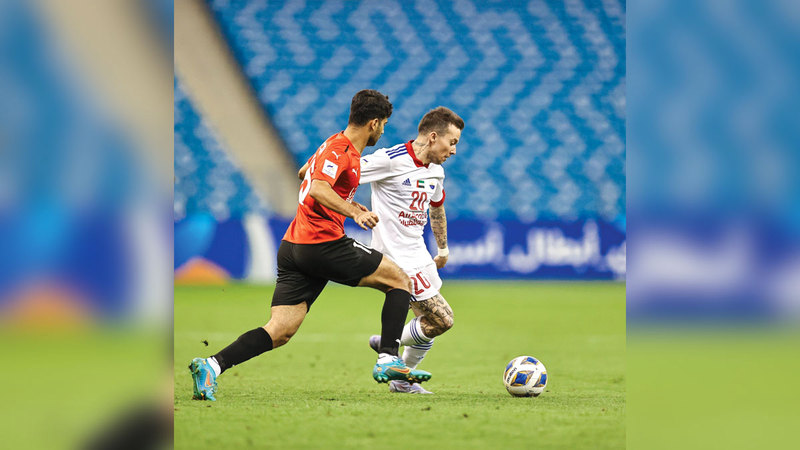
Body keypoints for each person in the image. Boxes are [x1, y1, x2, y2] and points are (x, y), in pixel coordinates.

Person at [189, 89, 431, 401]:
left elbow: (304, 172)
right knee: (399, 280)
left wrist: (341, 199)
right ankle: (388, 358)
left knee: (281, 330)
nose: (383, 131)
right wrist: (354, 211)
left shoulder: (331, 145)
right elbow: (317, 187)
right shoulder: (340, 150)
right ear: (373, 123)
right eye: (383, 124)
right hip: (321, 243)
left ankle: (211, 365)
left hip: (294, 247)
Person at [361, 106, 464, 394]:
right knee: (443, 319)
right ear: (433, 137)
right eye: (452, 142)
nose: (454, 150)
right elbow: (346, 173)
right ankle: (388, 344)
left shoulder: (437, 172)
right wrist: (351, 208)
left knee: (428, 323)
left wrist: (442, 248)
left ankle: (400, 382)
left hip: (419, 254)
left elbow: (436, 207)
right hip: (396, 258)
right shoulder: (390, 160)